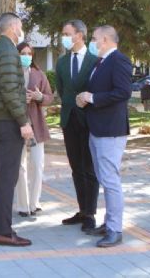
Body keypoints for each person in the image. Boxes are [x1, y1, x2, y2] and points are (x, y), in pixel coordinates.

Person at [0, 12, 34, 247]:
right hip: (7, 122)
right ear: (12, 28)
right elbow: (10, 91)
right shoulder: (9, 52)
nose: (21, 30)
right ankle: (3, 231)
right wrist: (23, 122)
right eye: (20, 26)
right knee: (7, 177)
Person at [76, 25, 132, 248]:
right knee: (104, 178)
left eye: (94, 38)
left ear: (106, 39)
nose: (92, 42)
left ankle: (115, 230)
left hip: (111, 130)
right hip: (97, 128)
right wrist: (85, 99)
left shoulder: (118, 60)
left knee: (110, 180)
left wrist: (93, 98)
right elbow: (98, 91)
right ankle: (108, 223)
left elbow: (123, 92)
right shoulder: (101, 62)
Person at [55, 19, 100, 232]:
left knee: (89, 167)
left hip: (88, 120)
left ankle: (90, 213)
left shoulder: (94, 61)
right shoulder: (62, 62)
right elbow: (62, 89)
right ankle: (82, 210)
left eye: (67, 33)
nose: (64, 37)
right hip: (69, 120)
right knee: (76, 168)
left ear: (79, 35)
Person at [14, 42, 54, 218]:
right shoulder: (11, 73)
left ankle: (34, 202)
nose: (26, 56)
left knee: (37, 165)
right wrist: (20, 98)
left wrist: (39, 97)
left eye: (29, 53)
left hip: (36, 125)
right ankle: (23, 205)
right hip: (17, 125)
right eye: (23, 53)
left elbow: (50, 97)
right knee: (20, 167)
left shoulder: (39, 74)